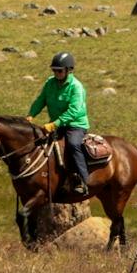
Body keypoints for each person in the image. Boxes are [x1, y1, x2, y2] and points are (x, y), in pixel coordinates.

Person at [29, 50, 91, 198]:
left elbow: (74, 111)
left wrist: (54, 124)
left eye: (59, 70)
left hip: (75, 125)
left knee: (73, 144)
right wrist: (30, 115)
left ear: (69, 70)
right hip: (56, 124)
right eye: (54, 70)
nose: (56, 73)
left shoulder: (76, 87)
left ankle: (83, 180)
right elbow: (41, 100)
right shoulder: (50, 83)